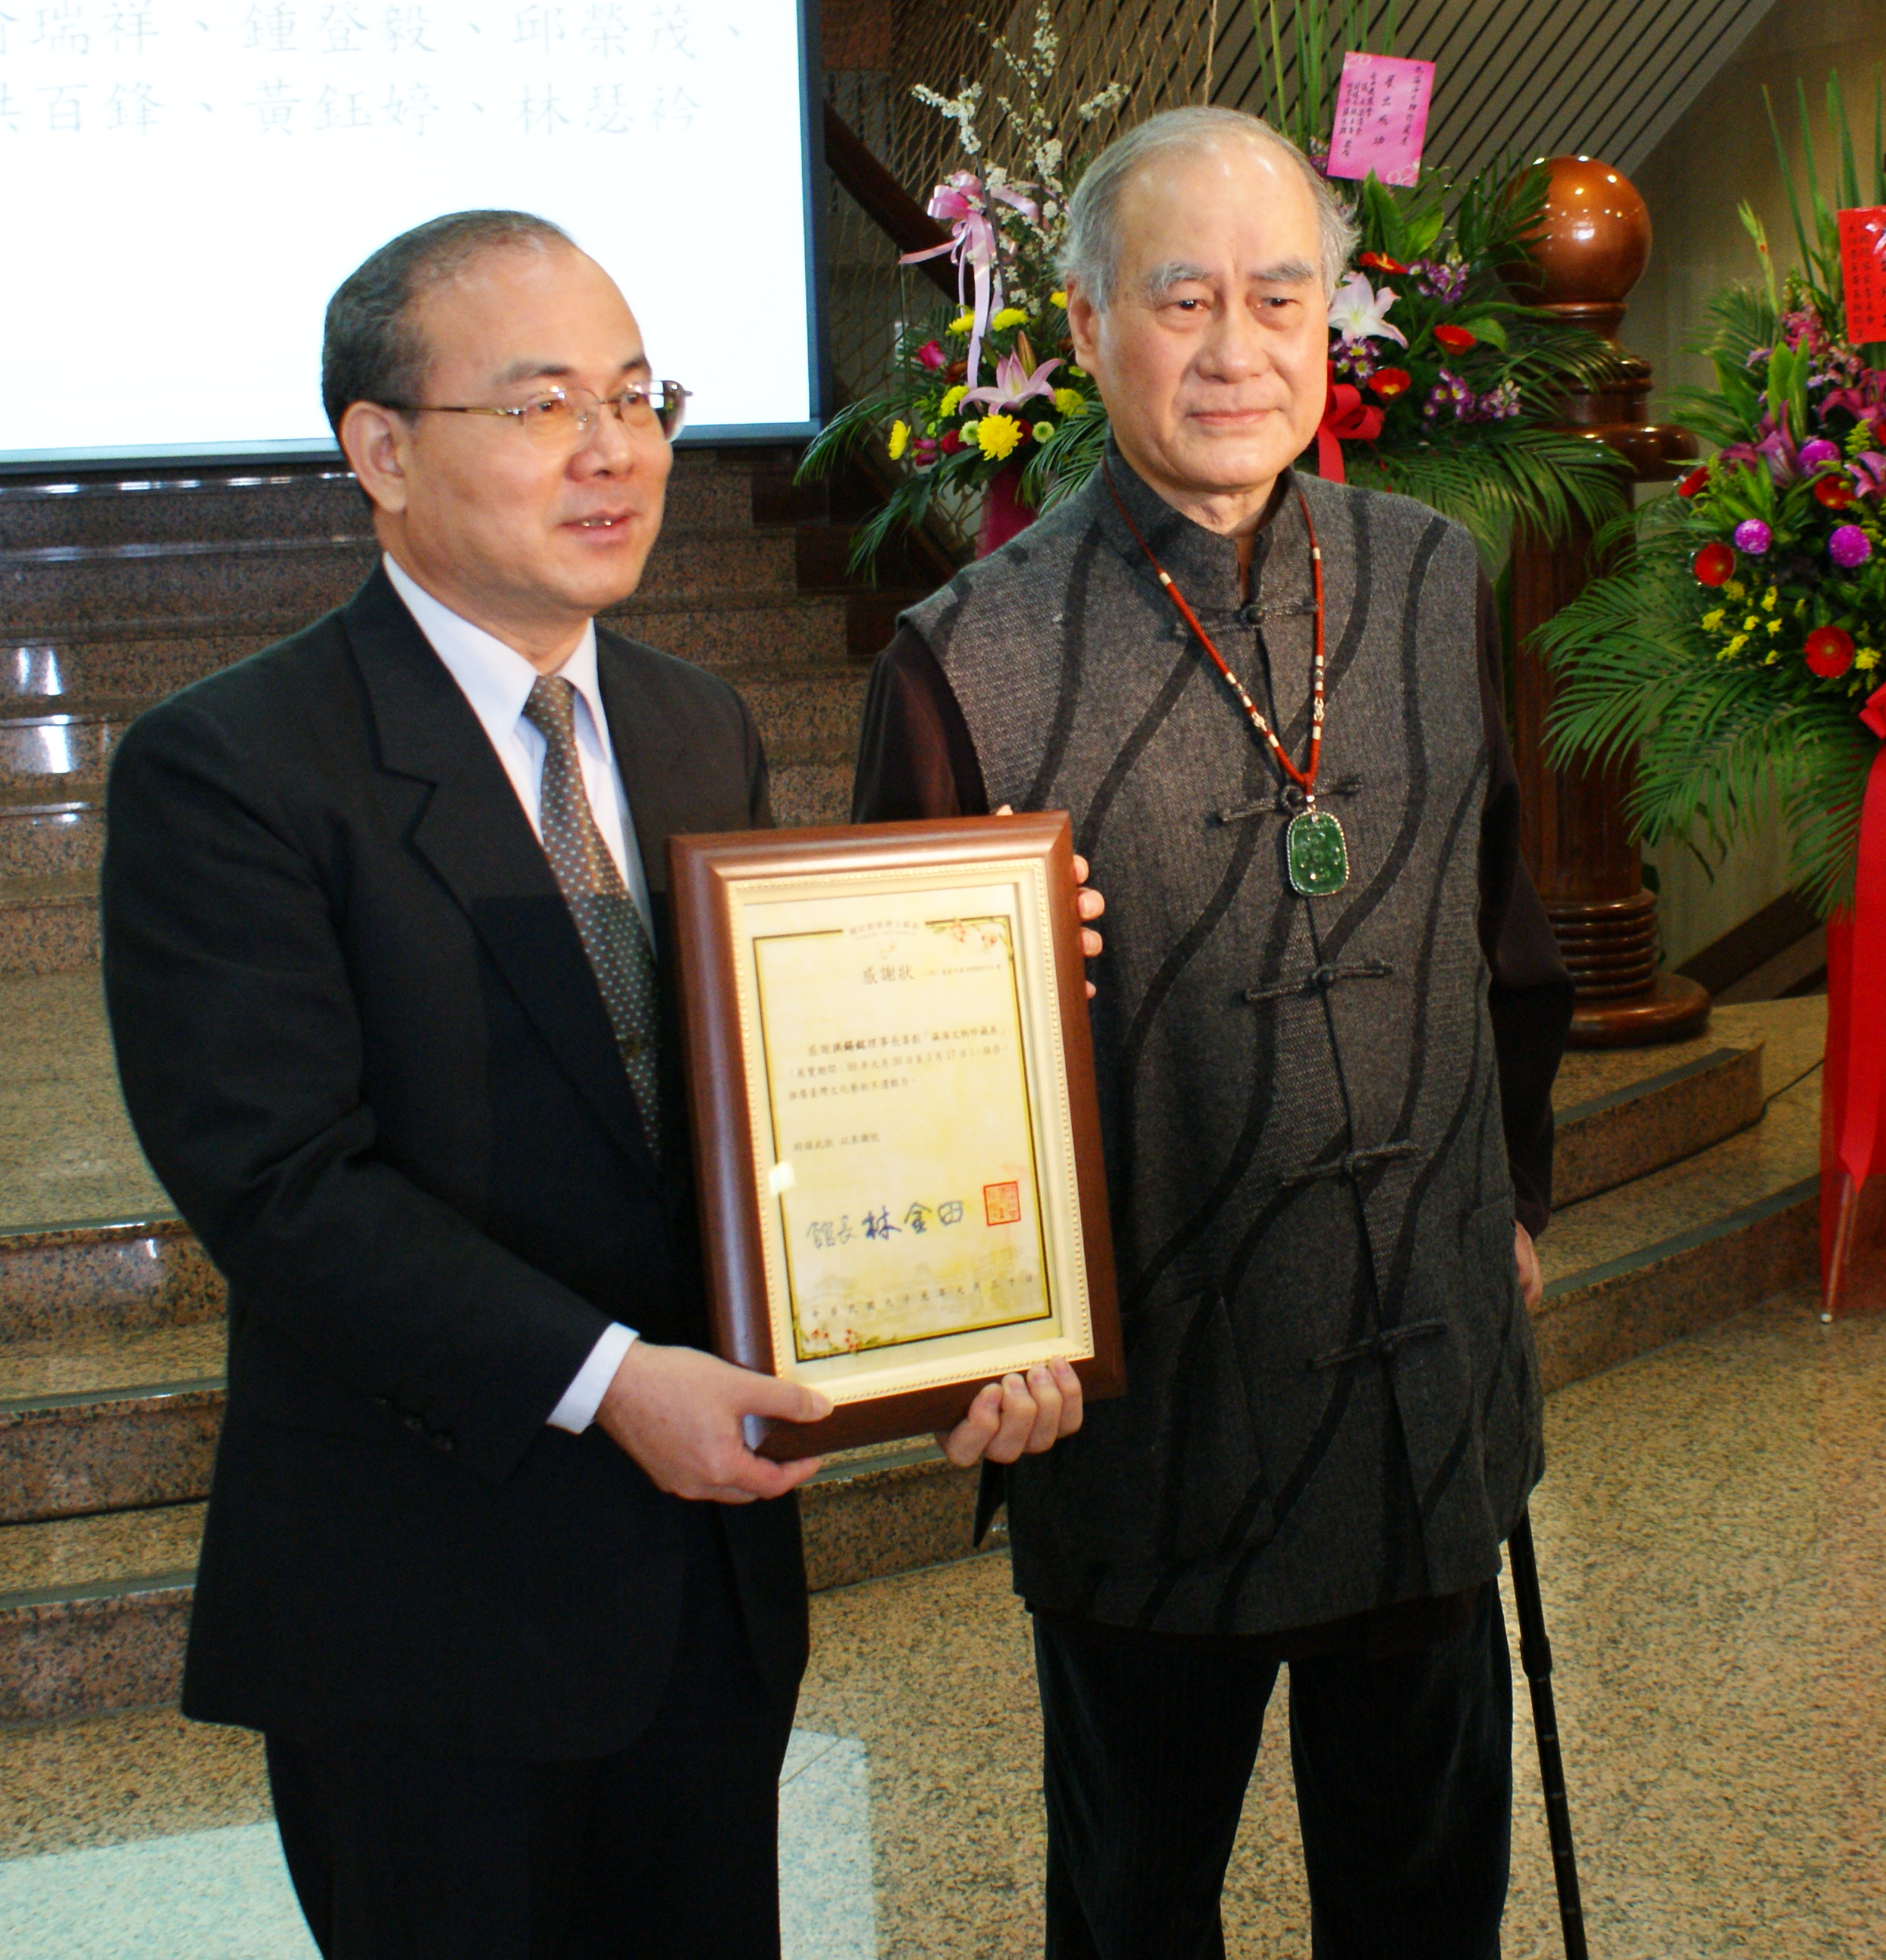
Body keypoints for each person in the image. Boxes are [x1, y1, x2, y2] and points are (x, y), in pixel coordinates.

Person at [100, 209, 1086, 1960]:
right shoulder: (235, 766)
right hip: (429, 1609)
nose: (616, 448)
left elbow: (772, 1112)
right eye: (546, 404)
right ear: (381, 451)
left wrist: (947, 1306)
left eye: (639, 395)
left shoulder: (695, 718)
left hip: (706, 1597)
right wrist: (610, 1381)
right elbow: (280, 1187)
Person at [851, 111, 1574, 1958]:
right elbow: (908, 1066)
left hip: (1421, 1380)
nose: (1237, 346)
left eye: (1280, 294)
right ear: (1087, 327)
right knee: (1137, 1899)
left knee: (1427, 1899)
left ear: (1336, 317)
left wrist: (1516, 1199)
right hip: (1150, 1412)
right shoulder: (965, 654)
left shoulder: (1424, 574)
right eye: (1183, 299)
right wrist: (970, 1345)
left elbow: (1501, 928)